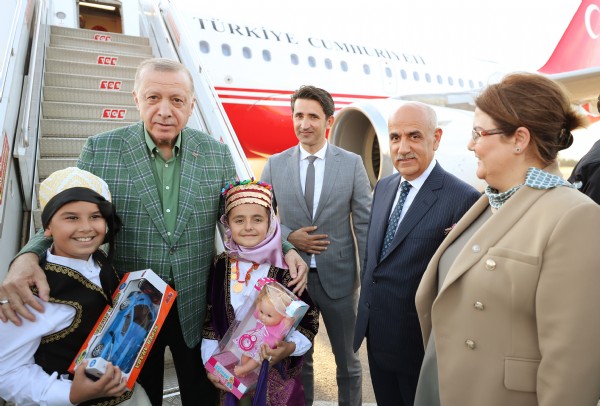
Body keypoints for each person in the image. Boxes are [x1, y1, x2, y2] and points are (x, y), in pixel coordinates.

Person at [0, 58, 308, 406]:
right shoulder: (101, 149)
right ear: (136, 99)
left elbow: (245, 212)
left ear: (191, 105)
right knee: (141, 397)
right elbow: (65, 214)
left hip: (195, 304)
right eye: (153, 98)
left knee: (202, 396)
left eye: (176, 100)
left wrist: (287, 248)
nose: (164, 111)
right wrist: (28, 255)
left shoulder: (215, 153)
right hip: (132, 310)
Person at [414, 72, 600, 406]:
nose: (470, 144)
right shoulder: (490, 201)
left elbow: (571, 371)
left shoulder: (575, 216)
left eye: (478, 133)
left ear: (519, 139)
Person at [353, 101, 480, 406]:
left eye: (414, 136)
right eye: (395, 137)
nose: (403, 148)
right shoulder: (384, 187)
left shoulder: (463, 199)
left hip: (418, 346)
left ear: (436, 139)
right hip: (376, 337)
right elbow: (373, 260)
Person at [0, 167, 150, 405]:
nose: (86, 227)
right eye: (71, 218)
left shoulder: (99, 259)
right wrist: (69, 394)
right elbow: (7, 373)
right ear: (47, 227)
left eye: (95, 216)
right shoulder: (29, 291)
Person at [261, 85, 372, 406]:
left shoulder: (351, 164)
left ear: (329, 121)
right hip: (292, 283)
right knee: (299, 360)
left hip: (340, 280)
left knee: (348, 362)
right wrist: (290, 236)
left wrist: (368, 280)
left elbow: (364, 224)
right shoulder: (275, 164)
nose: (304, 124)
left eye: (312, 116)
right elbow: (262, 218)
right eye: (298, 115)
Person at [202, 179, 318, 405]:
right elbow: (210, 320)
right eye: (239, 220)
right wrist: (211, 363)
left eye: (257, 219)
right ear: (228, 224)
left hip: (276, 378)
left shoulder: (285, 267)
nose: (248, 227)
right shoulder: (221, 265)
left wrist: (289, 348)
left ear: (270, 222)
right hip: (231, 375)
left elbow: (310, 320)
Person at [232, 284, 294, 377]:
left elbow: (286, 324)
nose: (263, 317)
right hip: (253, 341)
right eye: (262, 312)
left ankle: (243, 369)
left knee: (255, 360)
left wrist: (288, 320)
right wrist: (260, 302)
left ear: (282, 316)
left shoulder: (278, 327)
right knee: (245, 355)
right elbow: (257, 309)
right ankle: (245, 370)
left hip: (264, 347)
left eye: (269, 315)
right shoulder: (261, 317)